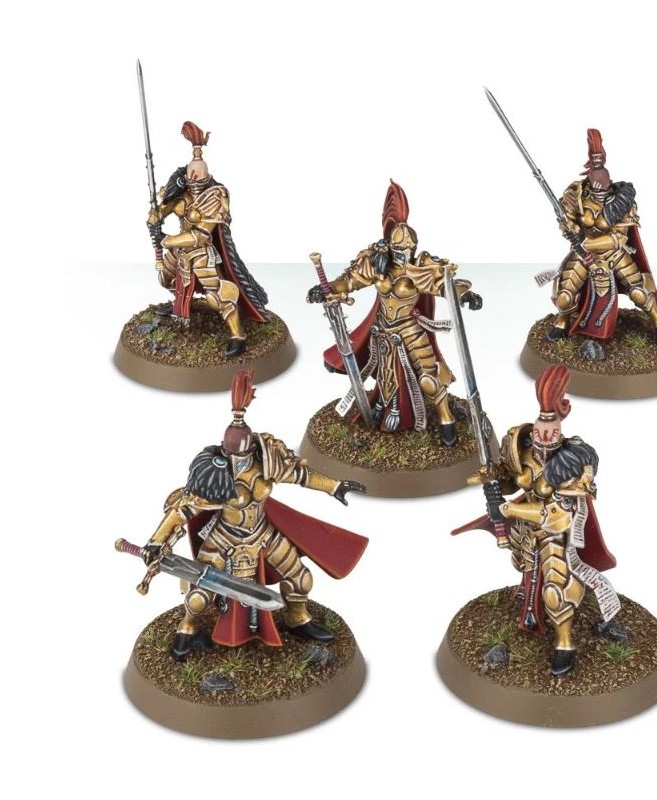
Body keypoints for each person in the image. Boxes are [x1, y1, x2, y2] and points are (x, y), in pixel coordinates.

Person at [141, 370, 368, 660]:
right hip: (223, 541)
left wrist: (334, 486)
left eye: (243, 455)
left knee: (300, 579)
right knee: (199, 596)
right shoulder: (216, 473)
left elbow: (300, 475)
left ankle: (298, 619)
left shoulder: (266, 461)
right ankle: (187, 628)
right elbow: (183, 510)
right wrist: (156, 541)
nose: (239, 461)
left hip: (264, 535)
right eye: (234, 455)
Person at [455, 364, 619, 676]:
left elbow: (557, 515)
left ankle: (564, 643)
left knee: (556, 588)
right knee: (524, 569)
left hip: (555, 533)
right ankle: (529, 604)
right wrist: (493, 478)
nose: (544, 436)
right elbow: (512, 482)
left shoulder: (571, 463)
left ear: (560, 430)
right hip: (524, 532)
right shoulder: (525, 449)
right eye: (540, 430)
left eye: (550, 431)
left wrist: (512, 510)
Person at [307, 181, 482, 446]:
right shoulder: (378, 264)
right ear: (390, 246)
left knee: (428, 377)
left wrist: (464, 294)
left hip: (410, 330)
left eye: (409, 249)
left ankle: (446, 416)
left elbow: (442, 285)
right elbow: (351, 281)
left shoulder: (419, 268)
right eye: (399, 250)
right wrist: (326, 288)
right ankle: (388, 407)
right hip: (381, 330)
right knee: (385, 375)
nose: (404, 254)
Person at [146, 122, 270, 358]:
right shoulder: (181, 192)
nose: (194, 183)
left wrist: (167, 240)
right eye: (191, 179)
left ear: (208, 177)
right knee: (165, 278)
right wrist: (156, 214)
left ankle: (237, 335)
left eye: (199, 179)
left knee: (217, 296)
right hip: (179, 252)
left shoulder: (214, 196)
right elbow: (165, 209)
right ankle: (180, 305)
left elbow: (200, 235)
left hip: (201, 252)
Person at [547, 129, 657, 347]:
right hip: (582, 254)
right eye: (597, 191)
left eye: (604, 190)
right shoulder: (576, 195)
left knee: (639, 292)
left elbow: (618, 238)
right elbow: (568, 221)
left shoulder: (622, 201)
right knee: (564, 295)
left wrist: (586, 242)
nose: (600, 195)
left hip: (614, 253)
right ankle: (562, 321)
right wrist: (568, 226)